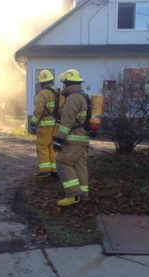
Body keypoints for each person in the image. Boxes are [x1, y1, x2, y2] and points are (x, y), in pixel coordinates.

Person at [53, 69, 89, 207]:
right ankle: (84, 196)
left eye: (64, 84)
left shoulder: (73, 98)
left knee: (62, 162)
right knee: (80, 167)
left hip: (73, 139)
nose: (63, 87)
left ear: (68, 83)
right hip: (82, 138)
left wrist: (58, 139)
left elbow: (67, 121)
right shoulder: (83, 96)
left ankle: (73, 195)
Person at [30, 69, 58, 177]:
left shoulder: (42, 94)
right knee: (51, 147)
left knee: (42, 146)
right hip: (55, 124)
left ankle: (45, 170)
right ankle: (53, 169)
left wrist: (33, 123)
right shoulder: (57, 93)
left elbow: (38, 110)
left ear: (41, 82)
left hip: (45, 125)